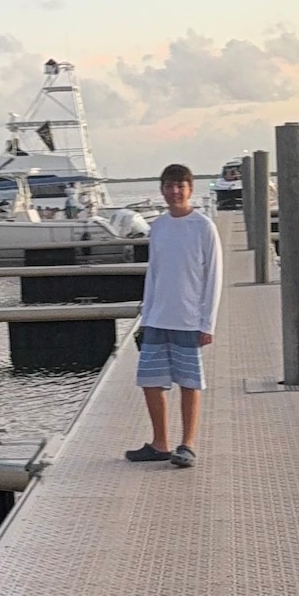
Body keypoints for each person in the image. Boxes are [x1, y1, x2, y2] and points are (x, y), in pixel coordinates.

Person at [127, 161, 223, 467]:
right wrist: (146, 315)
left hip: (189, 318)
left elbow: (214, 277)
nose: (175, 192)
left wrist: (208, 323)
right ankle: (160, 443)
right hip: (157, 317)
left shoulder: (203, 226)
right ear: (162, 190)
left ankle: (187, 444)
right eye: (169, 186)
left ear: (190, 189)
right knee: (149, 380)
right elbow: (153, 273)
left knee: (189, 382)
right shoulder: (159, 226)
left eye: (180, 186)